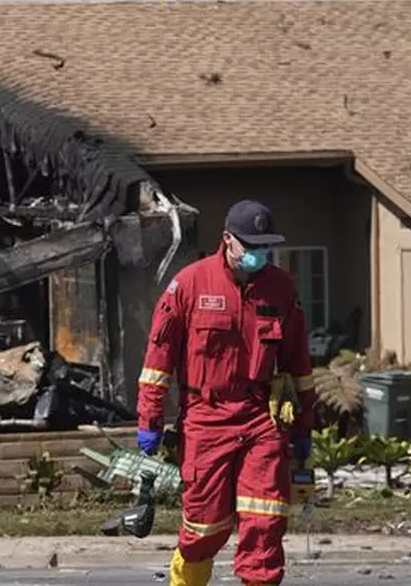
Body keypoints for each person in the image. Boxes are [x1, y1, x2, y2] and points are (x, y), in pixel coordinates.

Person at [136, 199, 316, 586]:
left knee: (265, 523)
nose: (258, 255)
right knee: (205, 527)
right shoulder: (189, 285)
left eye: (264, 247)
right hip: (206, 418)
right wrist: (150, 419)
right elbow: (157, 360)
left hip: (259, 418)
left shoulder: (280, 288)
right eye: (250, 247)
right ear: (227, 241)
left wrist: (303, 426)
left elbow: (298, 363)